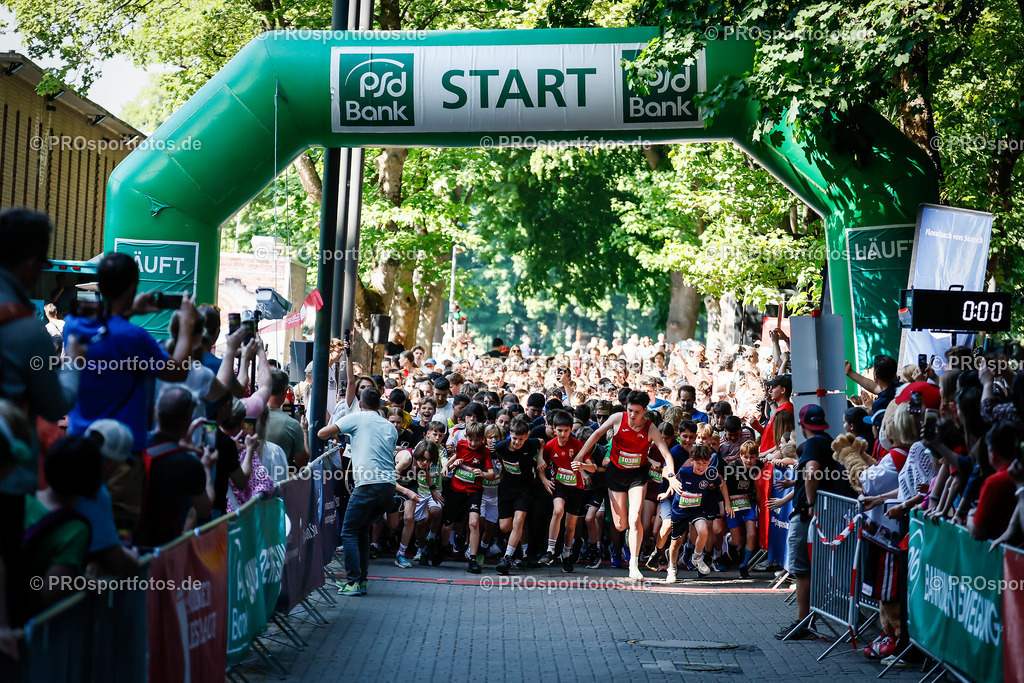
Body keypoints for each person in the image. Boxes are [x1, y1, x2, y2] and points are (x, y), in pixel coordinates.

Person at [0, 209, 81, 493]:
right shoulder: (26, 331)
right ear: (32, 263)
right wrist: (72, 361)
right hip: (9, 479)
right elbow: (56, 404)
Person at [575, 390, 683, 581]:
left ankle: (633, 564)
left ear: (645, 411)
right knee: (620, 524)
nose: (633, 415)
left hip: (637, 476)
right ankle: (629, 536)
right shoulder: (618, 418)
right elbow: (595, 434)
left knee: (635, 520)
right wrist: (579, 456)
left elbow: (666, 454)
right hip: (616, 475)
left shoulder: (650, 428)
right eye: (630, 410)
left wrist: (672, 475)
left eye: (637, 412)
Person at [331, 388, 401, 596]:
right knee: (362, 529)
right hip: (388, 486)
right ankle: (360, 581)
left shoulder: (357, 418)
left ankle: (353, 581)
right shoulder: (390, 427)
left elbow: (323, 433)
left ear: (360, 405)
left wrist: (340, 437)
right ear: (379, 406)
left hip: (368, 485)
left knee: (348, 532)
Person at [776, 404, 835, 641]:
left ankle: (803, 622)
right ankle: (806, 620)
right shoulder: (827, 440)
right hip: (817, 513)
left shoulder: (812, 444)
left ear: (801, 425)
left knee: (801, 569)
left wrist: (810, 504)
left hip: (806, 515)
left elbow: (811, 472)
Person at [135, 386, 217, 547]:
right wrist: (207, 468)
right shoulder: (189, 465)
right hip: (164, 549)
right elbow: (205, 509)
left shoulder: (135, 446)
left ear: (155, 413)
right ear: (188, 422)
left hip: (129, 544)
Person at [660, 445, 732, 582]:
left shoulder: (710, 473)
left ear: (710, 461)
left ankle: (697, 557)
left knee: (704, 531)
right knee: (676, 543)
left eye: (705, 463)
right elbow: (673, 482)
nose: (701, 466)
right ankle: (672, 567)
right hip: (680, 510)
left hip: (696, 509)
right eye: (698, 463)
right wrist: (667, 492)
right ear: (692, 460)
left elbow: (722, 483)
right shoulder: (684, 471)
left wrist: (727, 503)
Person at [536, 410, 589, 573]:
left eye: (566, 430)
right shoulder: (550, 445)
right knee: (558, 510)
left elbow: (591, 465)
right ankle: (550, 550)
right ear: (553, 429)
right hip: (559, 485)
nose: (563, 434)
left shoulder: (577, 444)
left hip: (576, 488)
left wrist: (584, 467)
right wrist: (544, 480)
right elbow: (541, 466)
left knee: (570, 525)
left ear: (571, 429)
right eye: (560, 430)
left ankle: (566, 555)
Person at [442, 422, 496, 574]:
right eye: (470, 439)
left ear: (482, 439)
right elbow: (452, 460)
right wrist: (448, 466)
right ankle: (442, 548)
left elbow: (491, 474)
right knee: (447, 525)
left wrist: (484, 474)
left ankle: (473, 559)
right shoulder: (461, 445)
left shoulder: (485, 452)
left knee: (474, 523)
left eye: (477, 440)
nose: (473, 443)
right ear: (466, 437)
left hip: (474, 492)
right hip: (456, 490)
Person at [495, 417, 541, 574]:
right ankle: (514, 548)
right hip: (507, 488)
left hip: (525, 489)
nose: (517, 442)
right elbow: (500, 457)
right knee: (504, 526)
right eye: (514, 438)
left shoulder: (531, 444)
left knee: (519, 521)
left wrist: (539, 458)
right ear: (510, 435)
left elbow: (541, 442)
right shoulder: (501, 447)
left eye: (521, 439)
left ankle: (506, 558)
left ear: (527, 436)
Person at [265, 369, 309, 469]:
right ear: (285, 391)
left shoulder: (249, 416)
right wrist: (305, 431)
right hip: (278, 480)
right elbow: (303, 462)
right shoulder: (292, 424)